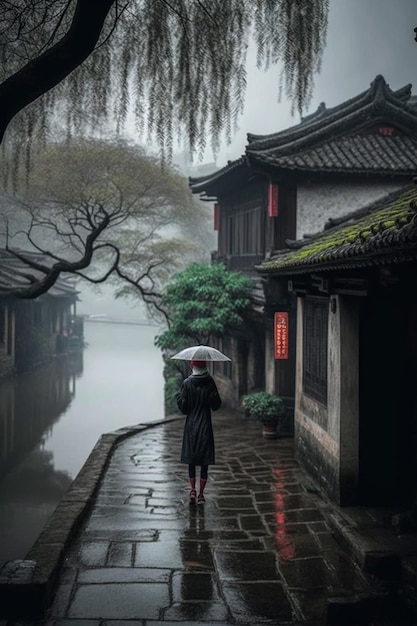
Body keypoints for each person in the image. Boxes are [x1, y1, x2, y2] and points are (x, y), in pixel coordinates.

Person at [177, 359, 222, 504]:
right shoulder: (210, 382)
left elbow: (184, 408)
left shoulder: (186, 383)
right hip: (205, 426)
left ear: (192, 366)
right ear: (205, 367)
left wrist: (179, 398)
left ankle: (192, 490)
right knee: (204, 462)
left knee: (191, 460)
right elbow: (216, 405)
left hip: (191, 426)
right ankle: (201, 495)